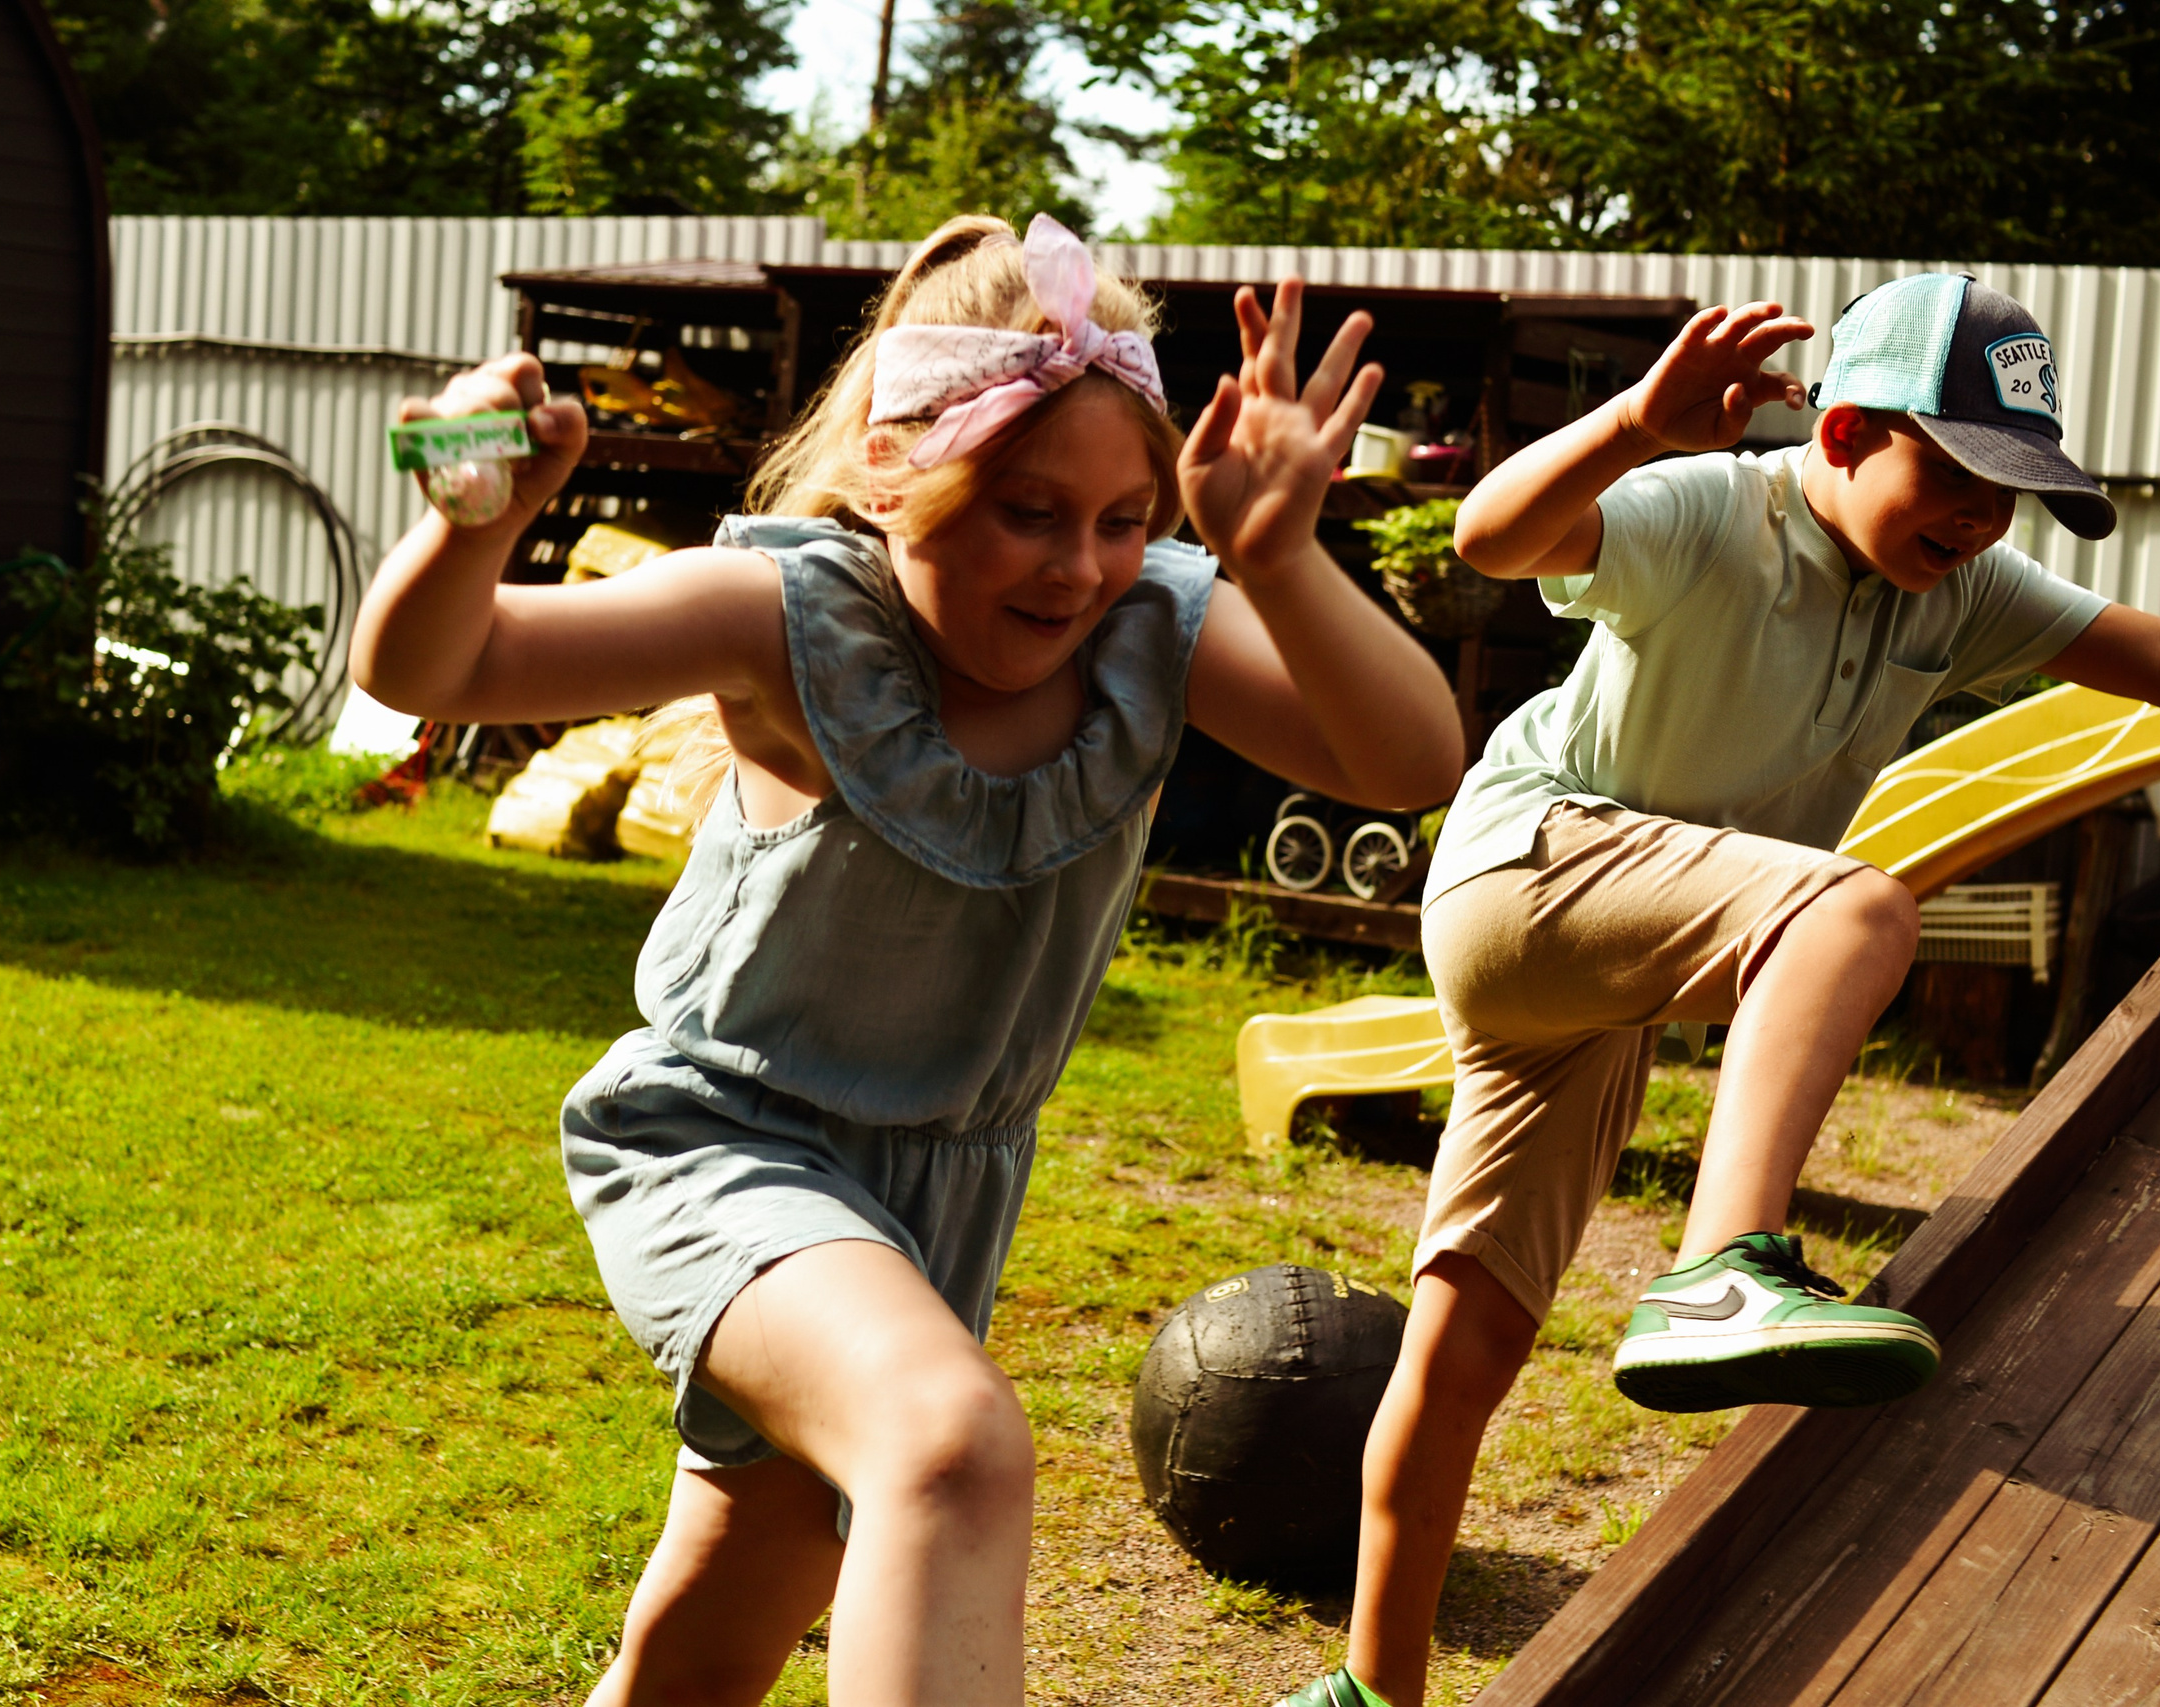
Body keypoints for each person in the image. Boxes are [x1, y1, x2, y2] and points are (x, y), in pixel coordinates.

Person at [348, 213, 1465, 1707]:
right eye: (1027, 510)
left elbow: (1408, 759)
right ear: (897, 473)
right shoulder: (788, 616)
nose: (1080, 566)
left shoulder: (1156, 629)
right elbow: (440, 668)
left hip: (937, 1194)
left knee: (731, 1620)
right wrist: (473, 524)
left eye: (1125, 517)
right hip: (724, 1147)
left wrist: (1278, 553)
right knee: (947, 1444)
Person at [1278, 272, 2160, 1707]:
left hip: (1595, 981)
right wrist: (1633, 428)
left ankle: (1367, 1692)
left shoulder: (1956, 592)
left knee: (1468, 1336)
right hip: (1531, 861)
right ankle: (1720, 1273)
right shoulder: (1718, 506)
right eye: (1954, 478)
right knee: (1856, 905)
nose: (1976, 522)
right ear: (1841, 438)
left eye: (2007, 497)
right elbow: (1493, 532)